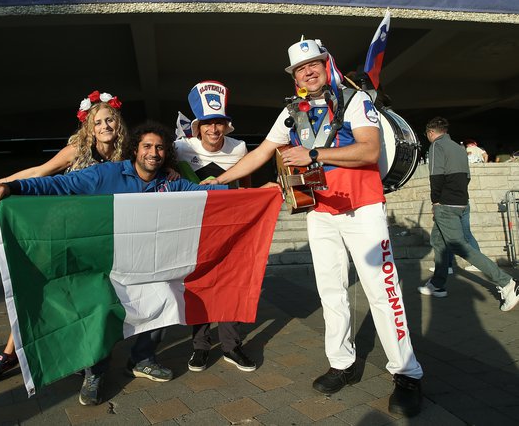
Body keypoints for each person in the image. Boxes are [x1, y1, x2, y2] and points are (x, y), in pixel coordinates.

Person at [201, 37, 424, 417]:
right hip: (320, 212)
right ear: (295, 76)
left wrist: (315, 153)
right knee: (331, 293)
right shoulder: (293, 111)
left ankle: (406, 375)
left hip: (362, 209)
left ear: (326, 65)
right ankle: (341, 363)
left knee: (382, 293)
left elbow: (370, 150)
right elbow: (260, 152)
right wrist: (220, 180)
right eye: (300, 69)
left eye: (313, 65)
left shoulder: (356, 100)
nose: (308, 72)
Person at [0, 121, 229, 405]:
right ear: (135, 150)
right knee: (100, 307)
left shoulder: (170, 180)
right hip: (103, 265)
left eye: (160, 147)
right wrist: (13, 186)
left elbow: (205, 195)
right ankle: (95, 371)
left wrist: (257, 193)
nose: (154, 153)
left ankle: (142, 359)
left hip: (145, 264)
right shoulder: (105, 173)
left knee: (167, 294)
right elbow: (59, 184)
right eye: (147, 146)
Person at [0, 90, 127, 397]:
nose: (104, 126)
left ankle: (93, 362)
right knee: (41, 286)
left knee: (95, 294)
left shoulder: (128, 156)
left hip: (102, 235)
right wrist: (0, 182)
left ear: (118, 122)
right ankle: (10, 352)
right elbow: (38, 172)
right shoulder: (76, 150)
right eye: (97, 121)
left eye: (109, 119)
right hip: (64, 227)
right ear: (89, 127)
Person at [174, 81, 255, 374]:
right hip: (193, 228)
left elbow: (245, 186)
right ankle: (199, 347)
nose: (213, 130)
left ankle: (232, 346)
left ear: (226, 125)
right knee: (197, 286)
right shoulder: (180, 147)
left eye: (219, 123)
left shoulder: (240, 148)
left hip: (229, 228)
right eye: (207, 123)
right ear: (198, 126)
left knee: (231, 286)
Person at [419, 117, 518, 312]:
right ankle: (437, 284)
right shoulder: (459, 148)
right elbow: (468, 177)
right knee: (438, 242)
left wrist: (435, 200)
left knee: (460, 247)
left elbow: (436, 176)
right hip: (461, 202)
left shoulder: (436, 147)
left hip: (445, 204)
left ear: (431, 133)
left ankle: (507, 283)